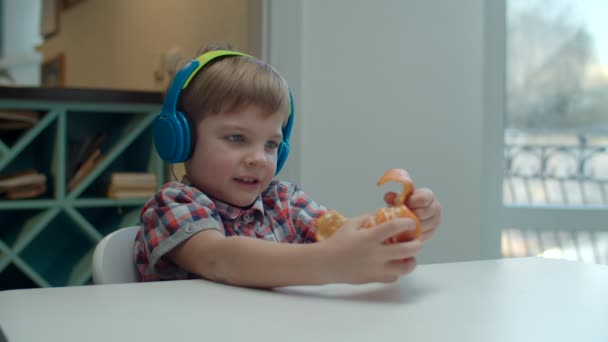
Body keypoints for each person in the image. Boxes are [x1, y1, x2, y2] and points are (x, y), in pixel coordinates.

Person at [134, 43, 442, 288]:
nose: (258, 158)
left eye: (270, 144)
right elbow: (219, 259)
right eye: (237, 138)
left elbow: (344, 237)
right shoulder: (172, 205)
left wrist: (400, 226)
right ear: (182, 139)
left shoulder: (284, 202)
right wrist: (327, 263)